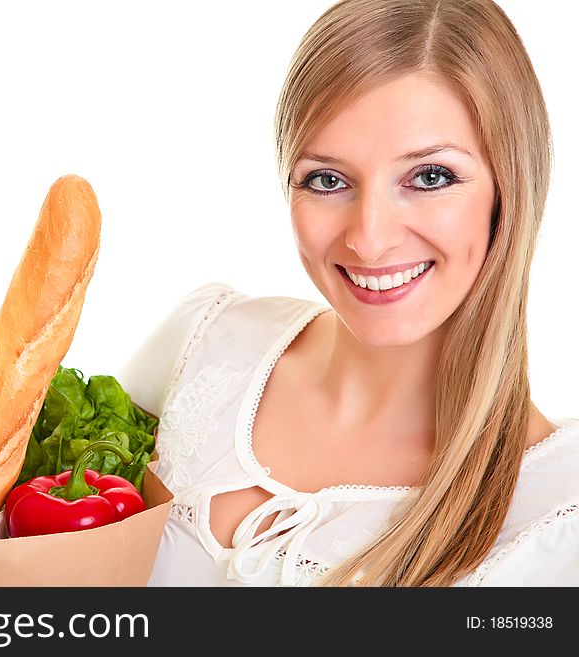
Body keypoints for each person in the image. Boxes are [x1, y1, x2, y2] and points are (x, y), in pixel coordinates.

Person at [116, 0, 578, 586]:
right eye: (327, 180)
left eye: (430, 177)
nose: (370, 239)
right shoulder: (204, 340)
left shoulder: (560, 511)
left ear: (508, 191)